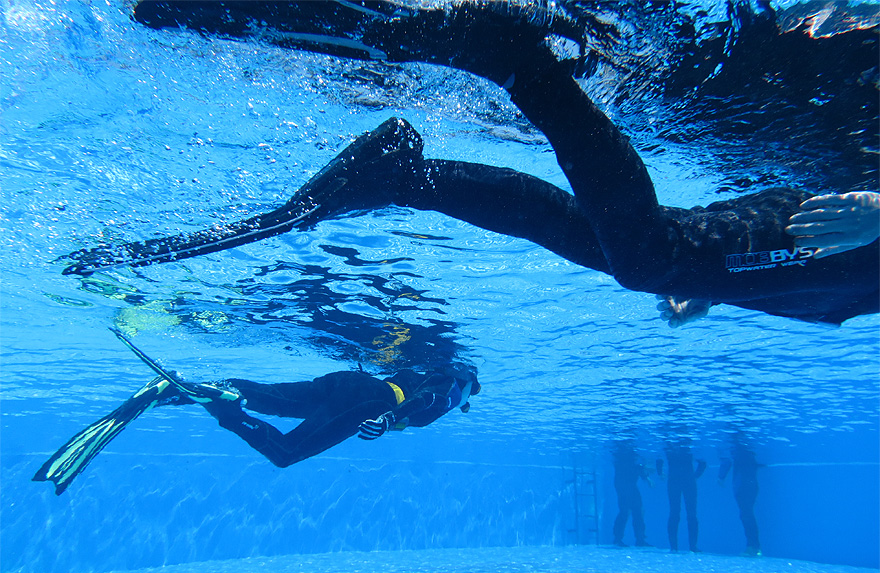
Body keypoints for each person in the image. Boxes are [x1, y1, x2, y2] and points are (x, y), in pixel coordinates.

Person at [65, 1, 879, 326]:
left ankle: (407, 176)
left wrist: (731, 283)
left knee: (634, 251)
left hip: (847, 281)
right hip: (861, 248)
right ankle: (517, 63)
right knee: (649, 259)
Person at [33, 331, 480, 495]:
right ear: (470, 386)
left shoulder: (424, 366)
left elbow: (412, 385)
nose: (464, 404)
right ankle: (222, 406)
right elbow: (429, 402)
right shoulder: (453, 386)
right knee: (285, 452)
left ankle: (175, 391)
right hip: (370, 401)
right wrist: (385, 418)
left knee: (267, 398)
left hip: (347, 382)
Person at [657, 443, 706, 552]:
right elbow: (702, 463)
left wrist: (660, 472)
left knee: (675, 513)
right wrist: (695, 476)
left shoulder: (667, 444)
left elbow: (659, 459)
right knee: (690, 514)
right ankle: (692, 547)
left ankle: (674, 547)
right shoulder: (689, 442)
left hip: (674, 481)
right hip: (688, 481)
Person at [718, 443, 764, 557]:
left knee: (746, 515)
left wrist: (721, 476)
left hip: (741, 486)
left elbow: (726, 461)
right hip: (752, 485)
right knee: (748, 514)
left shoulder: (736, 451)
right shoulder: (750, 455)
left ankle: (752, 546)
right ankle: (754, 546)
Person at [611, 441, 652, 548]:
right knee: (627, 511)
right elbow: (633, 467)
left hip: (627, 484)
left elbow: (634, 467)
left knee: (635, 510)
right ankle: (622, 538)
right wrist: (644, 474)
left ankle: (637, 538)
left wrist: (644, 474)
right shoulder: (625, 455)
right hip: (624, 484)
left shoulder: (624, 454)